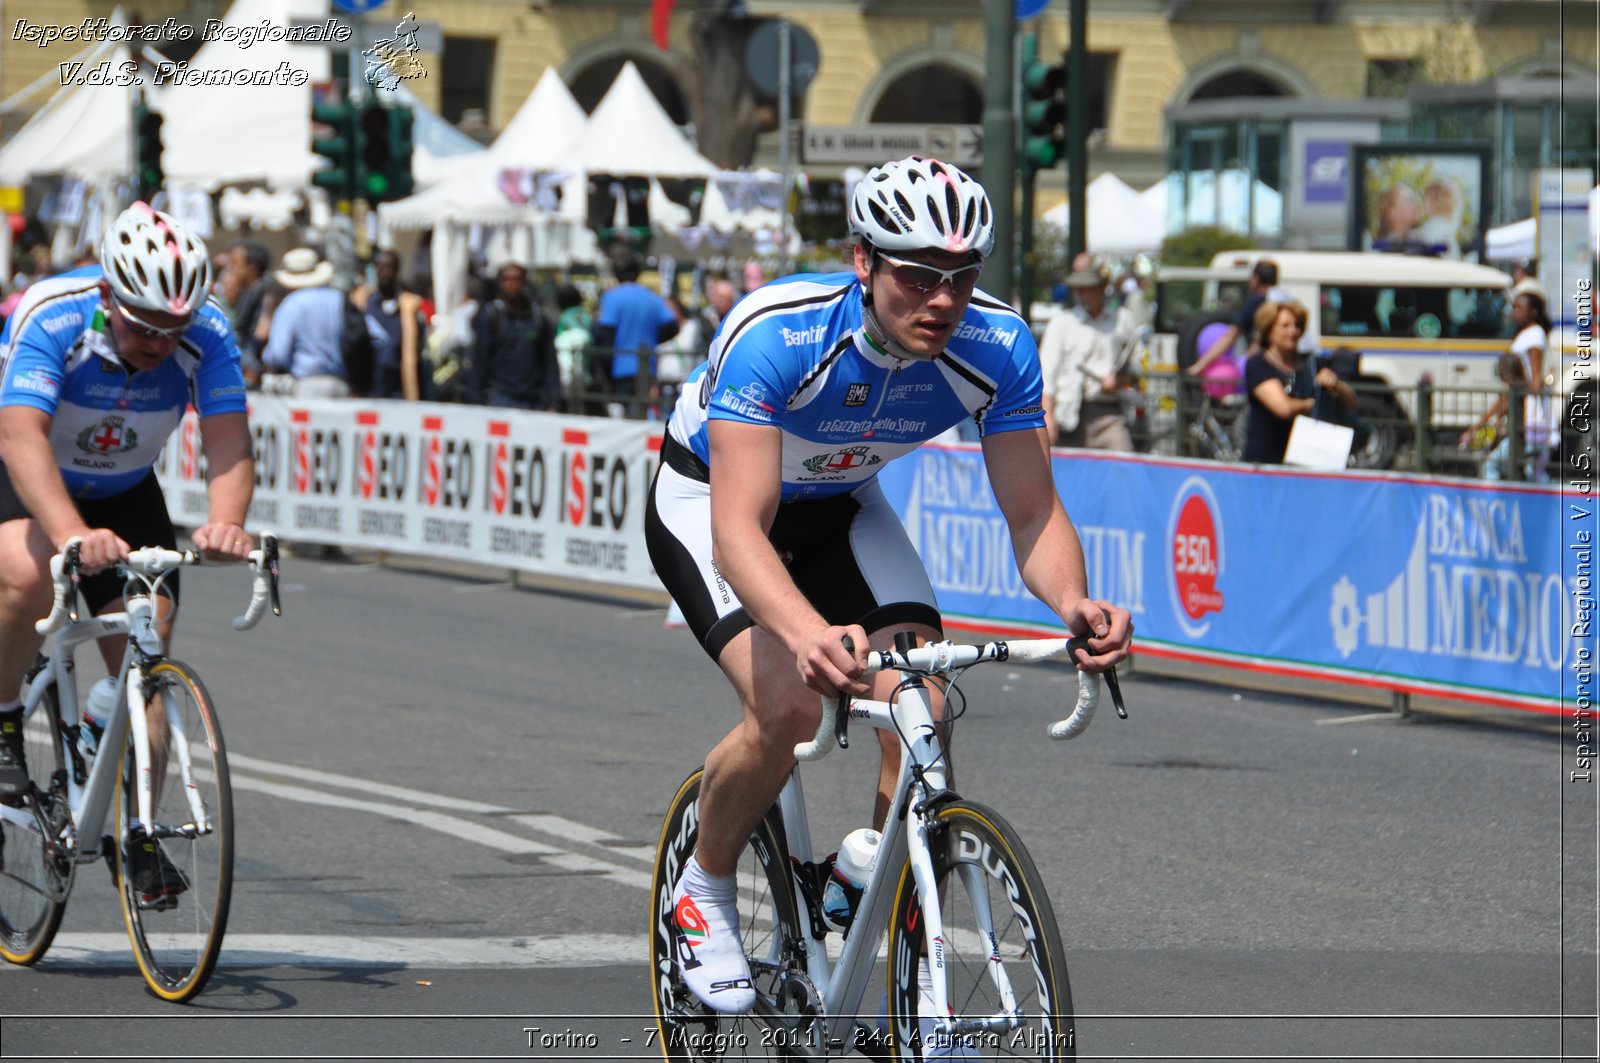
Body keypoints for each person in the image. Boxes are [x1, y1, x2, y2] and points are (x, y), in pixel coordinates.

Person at [643, 155, 1133, 1015]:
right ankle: (705, 884)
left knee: (924, 707)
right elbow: (736, 532)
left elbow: (1032, 513)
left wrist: (1074, 605)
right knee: (789, 706)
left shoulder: (999, 346)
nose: (940, 299)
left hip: (839, 502)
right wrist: (803, 632)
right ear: (863, 261)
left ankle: (873, 881)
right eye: (915, 274)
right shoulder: (778, 333)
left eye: (960, 276)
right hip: (714, 505)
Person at [0, 202, 255, 905]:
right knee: (25, 574)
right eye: (143, 324)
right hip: (29, 474)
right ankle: (2, 721)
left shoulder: (207, 332)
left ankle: (138, 829)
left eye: (172, 328)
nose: (158, 341)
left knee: (152, 634)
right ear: (108, 295)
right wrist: (70, 536)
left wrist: (227, 522)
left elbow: (229, 441)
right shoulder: (53, 312)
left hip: (123, 487)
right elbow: (21, 436)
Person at [1240, 300, 1357, 464]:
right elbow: (1283, 408)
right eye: (1285, 326)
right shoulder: (1258, 364)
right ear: (1269, 330)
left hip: (1310, 461)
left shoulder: (1312, 363)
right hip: (1266, 463)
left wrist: (1336, 384)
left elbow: (1352, 402)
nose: (1293, 331)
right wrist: (1315, 403)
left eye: (1297, 325)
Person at [1037, 264, 1137, 450]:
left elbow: (1133, 366)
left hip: (1109, 412)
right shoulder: (1062, 323)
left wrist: (1119, 380)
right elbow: (1047, 374)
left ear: (1101, 289)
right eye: (1078, 289)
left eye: (1087, 289)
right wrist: (1047, 417)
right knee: (1070, 475)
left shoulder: (1123, 320)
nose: (1081, 294)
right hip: (1069, 414)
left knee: (1126, 467)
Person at [1459, 289, 1555, 480]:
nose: (1514, 311)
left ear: (1533, 311)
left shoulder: (1534, 335)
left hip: (1528, 421)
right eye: (1514, 306)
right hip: (1526, 417)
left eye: (1520, 307)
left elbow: (1535, 378)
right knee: (1530, 474)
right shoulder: (1527, 334)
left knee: (1499, 468)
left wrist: (1527, 393)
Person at [261, 248, 358, 398]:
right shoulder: (338, 298)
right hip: (340, 383)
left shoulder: (292, 304)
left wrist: (266, 355)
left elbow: (278, 354)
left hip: (308, 386)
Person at [591, 250, 678, 413]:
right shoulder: (652, 297)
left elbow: (606, 335)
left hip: (619, 369)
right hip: (646, 367)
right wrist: (652, 338)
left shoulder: (611, 297)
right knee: (642, 414)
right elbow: (673, 326)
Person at [468, 263, 561, 411]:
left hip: (533, 398)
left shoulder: (538, 317)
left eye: (516, 279)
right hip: (499, 395)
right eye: (507, 279)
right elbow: (479, 358)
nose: (512, 284)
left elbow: (549, 360)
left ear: (524, 282)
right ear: (500, 283)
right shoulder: (490, 315)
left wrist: (554, 400)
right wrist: (476, 399)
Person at [352, 249, 428, 401]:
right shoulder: (365, 304)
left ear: (396, 270)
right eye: (380, 267)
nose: (384, 272)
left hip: (396, 391)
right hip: (370, 389)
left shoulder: (407, 308)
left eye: (388, 267)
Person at [1190, 258, 1280, 378]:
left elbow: (1230, 336)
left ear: (1256, 279)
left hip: (1270, 369)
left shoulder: (1258, 300)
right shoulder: (1285, 298)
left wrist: (1199, 366)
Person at [225, 241, 271, 388]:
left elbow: (254, 332)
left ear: (252, 269)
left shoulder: (261, 291)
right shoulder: (250, 291)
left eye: (237, 263)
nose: (232, 268)